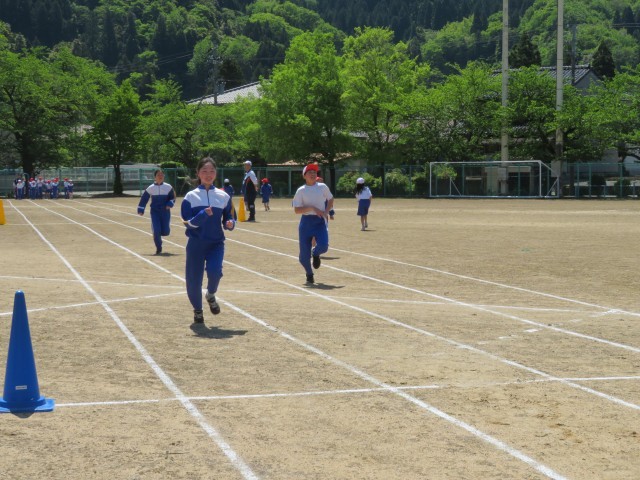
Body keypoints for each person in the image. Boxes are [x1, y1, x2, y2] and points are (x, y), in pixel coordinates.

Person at [181, 157, 235, 324]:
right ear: (198, 173)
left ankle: (210, 294)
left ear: (216, 173)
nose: (208, 174)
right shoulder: (190, 197)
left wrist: (230, 223)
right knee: (193, 281)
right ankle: (198, 309)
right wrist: (203, 215)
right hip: (196, 244)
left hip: (215, 243)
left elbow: (230, 216)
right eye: (204, 171)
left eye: (212, 171)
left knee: (215, 272)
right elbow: (188, 223)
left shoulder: (223, 196)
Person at [292, 163, 334, 284]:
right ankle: (309, 273)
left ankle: (315, 253)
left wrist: (326, 211)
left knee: (324, 246)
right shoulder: (301, 191)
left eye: (314, 172)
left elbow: (330, 198)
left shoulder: (322, 187)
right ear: (304, 176)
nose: (313, 174)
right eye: (310, 172)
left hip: (319, 222)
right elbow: (297, 210)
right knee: (303, 257)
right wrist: (312, 208)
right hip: (306, 223)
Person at [137, 169, 176, 255]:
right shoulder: (151, 188)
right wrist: (141, 209)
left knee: (165, 231)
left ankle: (160, 235)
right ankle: (158, 247)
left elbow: (173, 197)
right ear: (155, 177)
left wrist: (169, 204)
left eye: (162, 175)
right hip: (155, 212)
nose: (160, 176)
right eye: (158, 175)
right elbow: (144, 199)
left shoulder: (168, 187)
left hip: (165, 211)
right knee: (156, 230)